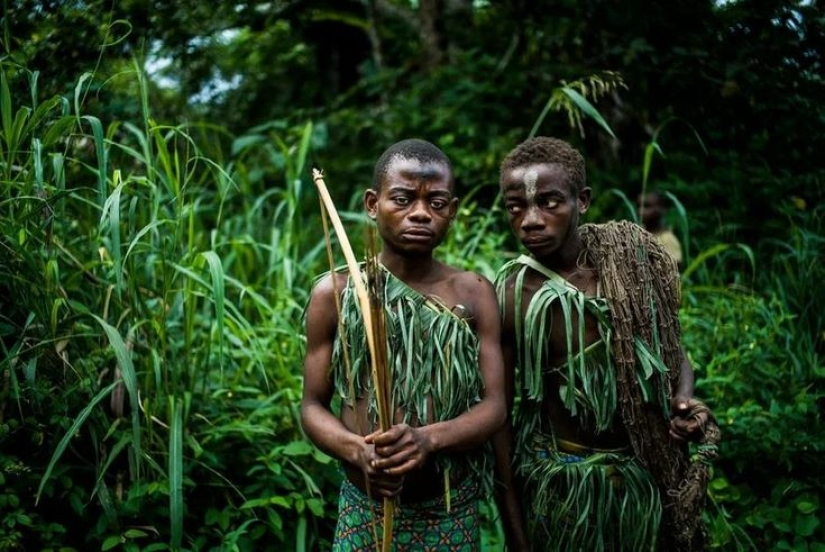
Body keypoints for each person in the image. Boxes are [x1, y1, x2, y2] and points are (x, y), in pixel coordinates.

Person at [492, 137, 720, 551]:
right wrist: (517, 533)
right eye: (516, 207)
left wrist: (683, 401)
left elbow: (674, 353)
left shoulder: (628, 267)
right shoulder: (513, 295)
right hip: (565, 492)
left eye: (549, 203)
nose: (531, 220)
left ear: (582, 201)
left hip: (644, 484)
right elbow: (501, 418)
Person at [301, 138, 506, 550]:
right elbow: (311, 406)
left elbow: (494, 406)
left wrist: (429, 439)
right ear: (373, 204)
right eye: (403, 199)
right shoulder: (338, 293)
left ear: (452, 211)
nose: (419, 213)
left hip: (448, 509)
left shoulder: (474, 293)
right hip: (365, 509)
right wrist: (357, 451)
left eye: (437, 203)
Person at [639, 191, 684, 267]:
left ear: (661, 209)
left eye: (647, 206)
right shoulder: (636, 234)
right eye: (639, 206)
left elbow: (674, 269)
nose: (641, 211)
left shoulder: (668, 239)